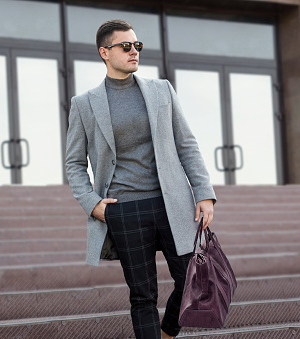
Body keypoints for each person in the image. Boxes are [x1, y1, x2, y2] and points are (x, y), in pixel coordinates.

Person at [65, 19, 216, 339]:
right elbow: (74, 164)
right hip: (124, 209)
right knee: (143, 296)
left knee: (196, 281)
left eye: (137, 46)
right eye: (126, 46)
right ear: (105, 53)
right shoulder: (84, 105)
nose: (134, 51)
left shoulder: (162, 90)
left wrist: (203, 192)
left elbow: (186, 143)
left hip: (171, 203)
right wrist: (93, 205)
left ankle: (167, 333)